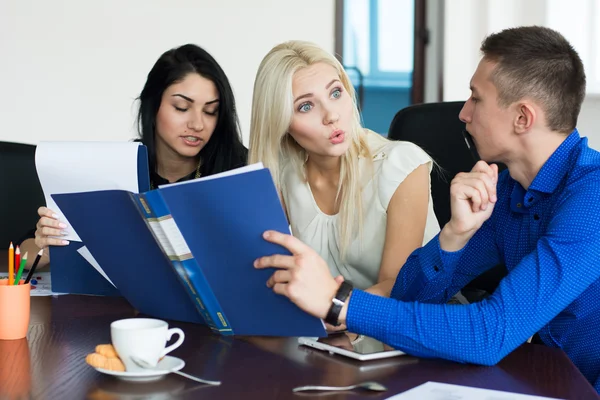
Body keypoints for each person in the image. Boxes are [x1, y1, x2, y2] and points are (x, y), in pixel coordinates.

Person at [254, 26, 600, 392]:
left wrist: (339, 304)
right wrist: (454, 235)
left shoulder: (591, 199)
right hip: (551, 379)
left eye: (475, 98)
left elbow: (491, 333)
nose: (463, 114)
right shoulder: (506, 190)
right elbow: (409, 296)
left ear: (522, 118)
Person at [20, 44, 247, 267]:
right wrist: (44, 247)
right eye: (181, 107)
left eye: (210, 111)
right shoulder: (120, 166)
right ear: (153, 106)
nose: (197, 124)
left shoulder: (239, 169)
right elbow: (23, 252)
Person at [248, 40, 440, 296]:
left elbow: (396, 288)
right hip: (327, 325)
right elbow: (264, 272)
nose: (331, 115)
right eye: (306, 106)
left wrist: (330, 311)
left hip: (402, 323)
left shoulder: (402, 164)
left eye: (336, 93)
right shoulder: (281, 175)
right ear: (281, 123)